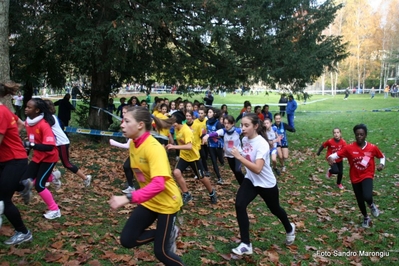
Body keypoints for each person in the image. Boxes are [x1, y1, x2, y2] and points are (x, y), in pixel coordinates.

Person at [108, 106, 185, 266]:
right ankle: (170, 232)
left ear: (140, 125)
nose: (122, 124)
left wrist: (128, 197)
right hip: (149, 201)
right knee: (128, 240)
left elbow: (158, 184)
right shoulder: (133, 144)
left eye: (127, 121)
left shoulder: (154, 148)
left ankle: (168, 234)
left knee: (162, 253)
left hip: (167, 203)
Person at [229, 113, 295, 255]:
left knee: (275, 209)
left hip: (266, 183)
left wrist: (239, 157)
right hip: (251, 180)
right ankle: (246, 244)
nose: (243, 128)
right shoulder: (245, 139)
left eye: (247, 125)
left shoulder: (262, 144)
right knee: (239, 204)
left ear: (256, 126)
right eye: (242, 125)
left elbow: (258, 169)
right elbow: (246, 155)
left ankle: (290, 228)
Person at [327, 124, 385, 228]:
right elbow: (335, 155)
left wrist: (381, 164)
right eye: (357, 134)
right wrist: (330, 158)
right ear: (355, 135)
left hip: (367, 175)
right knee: (359, 199)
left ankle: (371, 205)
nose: (359, 136)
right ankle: (366, 217)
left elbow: (382, 156)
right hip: (355, 177)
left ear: (365, 135)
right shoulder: (349, 148)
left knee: (367, 196)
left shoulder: (372, 148)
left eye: (361, 134)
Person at [166, 111, 217, 205]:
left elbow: (189, 146)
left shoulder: (186, 131)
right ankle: (186, 193)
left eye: (172, 121)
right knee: (176, 172)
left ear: (177, 122)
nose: (171, 123)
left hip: (194, 158)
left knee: (201, 178)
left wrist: (174, 147)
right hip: (184, 157)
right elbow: (174, 141)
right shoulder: (177, 129)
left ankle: (212, 193)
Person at [0, 98, 32, 245]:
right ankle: (21, 185)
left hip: (15, 160)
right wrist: (12, 138)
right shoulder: (5, 110)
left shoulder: (1, 112)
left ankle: (23, 233)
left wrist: (11, 142)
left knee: (3, 199)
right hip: (5, 160)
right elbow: (20, 123)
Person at [23, 98, 61, 219]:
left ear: (37, 110)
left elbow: (50, 147)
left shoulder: (44, 125)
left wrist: (31, 145)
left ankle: (55, 210)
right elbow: (31, 139)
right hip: (37, 157)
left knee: (39, 185)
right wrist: (27, 150)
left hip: (49, 158)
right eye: (26, 106)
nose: (26, 108)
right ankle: (52, 176)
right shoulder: (28, 123)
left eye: (29, 107)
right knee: (24, 181)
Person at [44, 100, 92, 187]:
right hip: (56, 143)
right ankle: (51, 178)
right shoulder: (51, 117)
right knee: (47, 161)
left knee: (66, 164)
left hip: (61, 143)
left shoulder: (49, 118)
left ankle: (86, 178)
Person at [202, 115, 244, 185]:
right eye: (225, 123)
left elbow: (248, 131)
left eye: (228, 123)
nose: (226, 125)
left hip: (238, 154)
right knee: (235, 172)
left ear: (232, 123)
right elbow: (215, 133)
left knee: (238, 170)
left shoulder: (237, 131)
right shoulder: (223, 131)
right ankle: (242, 185)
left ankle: (244, 183)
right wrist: (207, 136)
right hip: (229, 155)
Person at [205, 108, 225, 184]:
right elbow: (207, 131)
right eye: (208, 112)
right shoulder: (206, 122)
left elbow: (222, 134)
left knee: (220, 159)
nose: (208, 113)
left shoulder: (218, 123)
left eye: (210, 112)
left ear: (214, 113)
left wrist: (216, 136)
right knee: (214, 161)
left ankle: (222, 161)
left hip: (218, 144)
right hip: (210, 145)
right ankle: (219, 177)